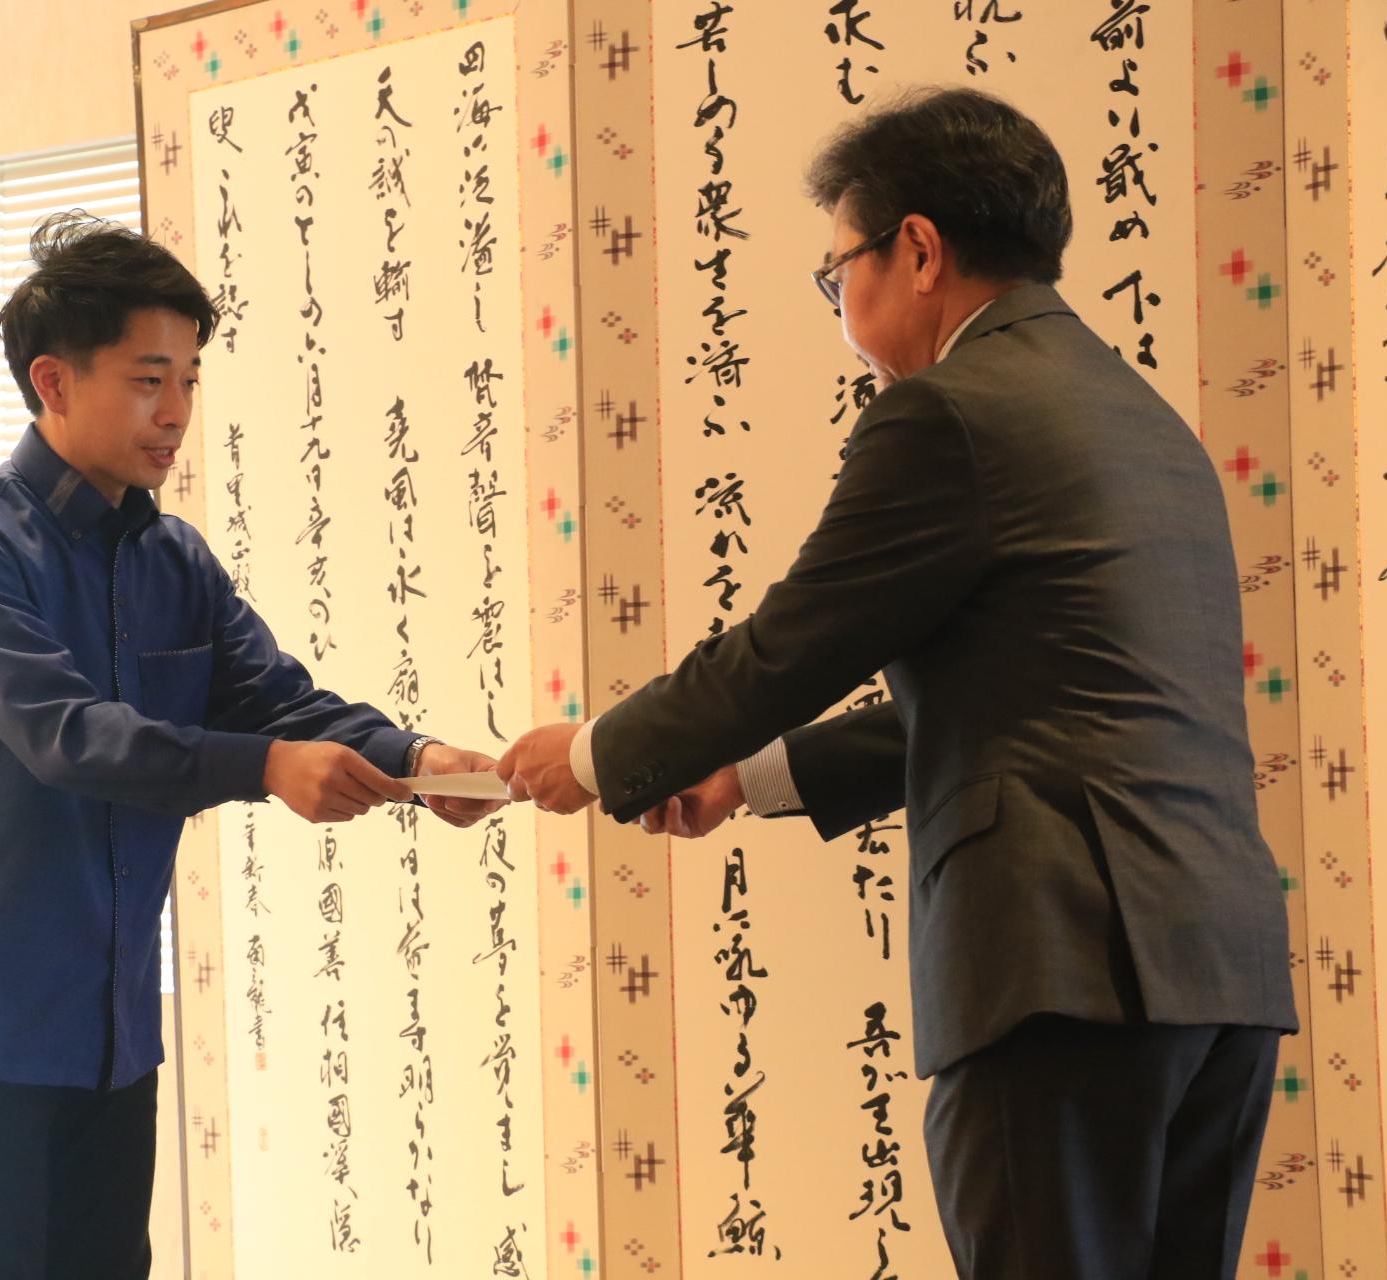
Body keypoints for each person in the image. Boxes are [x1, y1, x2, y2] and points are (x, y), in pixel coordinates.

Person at [498, 88, 1296, 1279]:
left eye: (839, 276)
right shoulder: (1149, 423)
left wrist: (596, 752)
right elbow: (1030, 701)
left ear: (917, 250)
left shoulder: (949, 413)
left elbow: (787, 647)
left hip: (1060, 968)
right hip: (1221, 969)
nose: (844, 318)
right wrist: (746, 777)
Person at [0, 210, 501, 1280]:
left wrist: (417, 761)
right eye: (150, 380)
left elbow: (273, 698)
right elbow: (68, 736)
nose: (178, 412)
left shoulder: (174, 558)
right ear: (54, 382)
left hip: (104, 1038)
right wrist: (264, 769)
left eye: (190, 380)